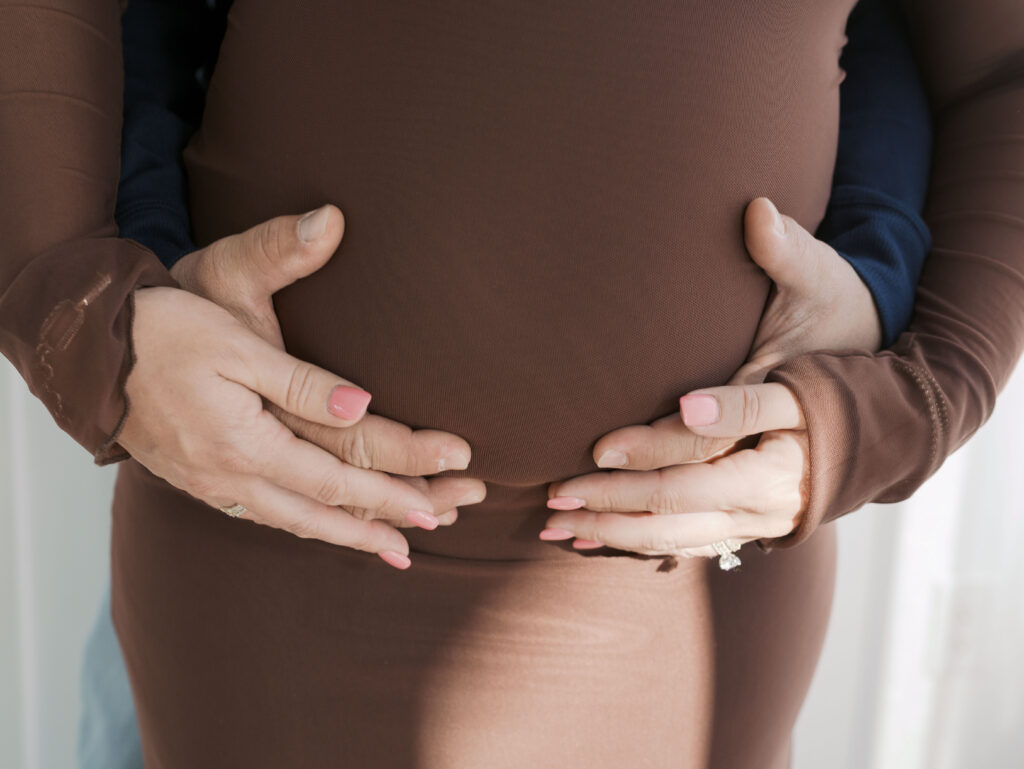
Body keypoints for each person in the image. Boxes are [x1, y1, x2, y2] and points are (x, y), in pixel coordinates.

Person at [0, 1, 1018, 768]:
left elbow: (985, 61)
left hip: (682, 626)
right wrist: (95, 321)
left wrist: (917, 389)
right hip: (254, 605)